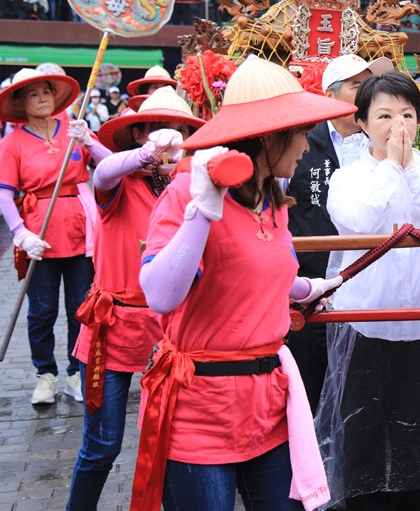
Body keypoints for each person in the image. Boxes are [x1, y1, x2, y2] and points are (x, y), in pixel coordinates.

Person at [131, 56, 353, 510]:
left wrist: (309, 289)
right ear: (268, 137)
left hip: (266, 405)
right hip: (201, 412)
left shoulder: (274, 198)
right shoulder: (186, 193)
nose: (307, 147)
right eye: (299, 133)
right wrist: (200, 215)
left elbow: (267, 268)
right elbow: (159, 294)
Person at [317, 71, 420, 510]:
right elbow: (359, 222)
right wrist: (390, 170)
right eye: (384, 115)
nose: (397, 125)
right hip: (363, 321)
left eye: (407, 114)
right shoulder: (348, 177)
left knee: (412, 425)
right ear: (362, 122)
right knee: (362, 425)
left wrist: (410, 172)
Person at [65, 88, 204, 510]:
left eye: (179, 132)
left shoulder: (193, 190)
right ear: (141, 134)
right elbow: (103, 172)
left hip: (169, 333)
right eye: (160, 132)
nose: (170, 141)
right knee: (102, 446)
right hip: (112, 330)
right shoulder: (120, 183)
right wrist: (145, 156)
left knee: (166, 445)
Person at [0, 68, 112, 405]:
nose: (42, 98)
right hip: (39, 235)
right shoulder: (12, 142)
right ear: (21, 103)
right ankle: (45, 374)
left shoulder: (73, 132)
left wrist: (89, 141)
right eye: (33, 94)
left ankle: (76, 371)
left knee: (79, 309)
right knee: (41, 311)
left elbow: (109, 166)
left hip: (80, 231)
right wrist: (20, 233)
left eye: (45, 92)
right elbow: (2, 193)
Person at [284, 54, 394, 412]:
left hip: (370, 288)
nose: (367, 91)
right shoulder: (299, 143)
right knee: (310, 384)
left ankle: (358, 462)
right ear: (331, 95)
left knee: (365, 387)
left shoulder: (382, 145)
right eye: (356, 84)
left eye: (369, 84)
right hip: (310, 290)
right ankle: (310, 461)